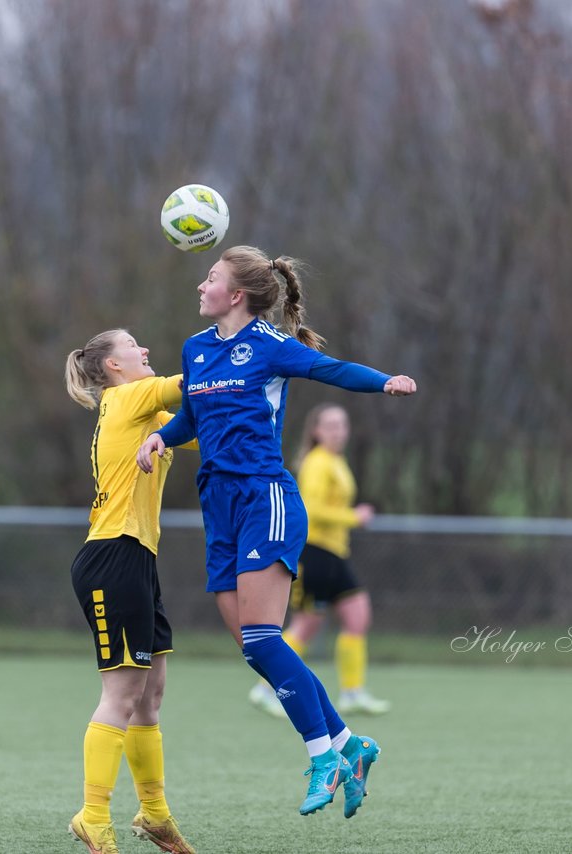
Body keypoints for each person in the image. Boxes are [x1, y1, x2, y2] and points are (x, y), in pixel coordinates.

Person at [137, 246, 416, 817]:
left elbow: (329, 369)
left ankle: (322, 756)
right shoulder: (195, 350)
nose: (200, 285)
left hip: (266, 498)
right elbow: (192, 416)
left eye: (210, 278)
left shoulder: (267, 343)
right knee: (255, 647)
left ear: (236, 294)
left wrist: (384, 381)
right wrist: (163, 435)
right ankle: (350, 745)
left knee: (265, 638)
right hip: (218, 506)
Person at [64, 330, 198, 854]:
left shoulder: (146, 415)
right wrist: (250, 363)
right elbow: (193, 385)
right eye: (135, 346)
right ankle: (93, 815)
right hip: (112, 557)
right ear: (114, 366)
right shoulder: (128, 396)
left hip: (137, 558)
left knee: (150, 695)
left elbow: (199, 428)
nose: (146, 350)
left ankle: (155, 814)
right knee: (121, 695)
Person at [248, 403, 390, 720]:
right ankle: (264, 688)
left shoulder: (336, 462)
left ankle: (352, 693)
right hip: (315, 551)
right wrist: (353, 517)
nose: (338, 431)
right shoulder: (317, 463)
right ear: (316, 431)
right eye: (330, 425)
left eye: (342, 424)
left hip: (336, 554)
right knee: (306, 626)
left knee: (357, 617)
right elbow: (311, 508)